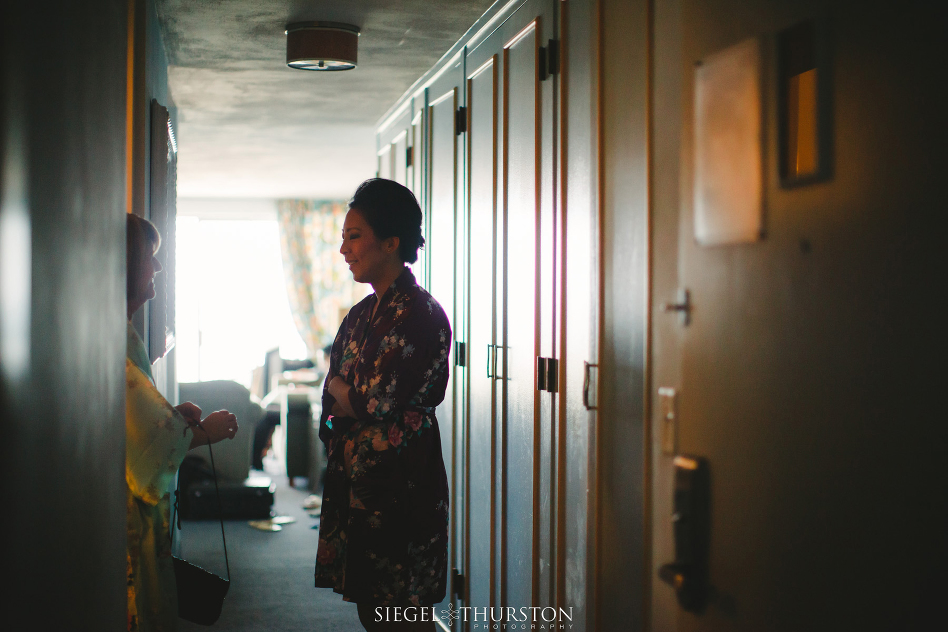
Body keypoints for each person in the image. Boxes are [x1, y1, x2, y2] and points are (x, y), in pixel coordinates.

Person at [315, 179, 452, 632]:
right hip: (357, 480)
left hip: (401, 484)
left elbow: (371, 401)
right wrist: (345, 394)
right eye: (343, 237)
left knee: (402, 612)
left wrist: (346, 392)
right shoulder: (359, 315)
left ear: (391, 242)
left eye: (354, 236)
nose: (344, 249)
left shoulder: (420, 313)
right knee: (372, 609)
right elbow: (335, 398)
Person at [125, 213, 239, 632]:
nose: (156, 268)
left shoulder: (123, 333)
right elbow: (141, 444)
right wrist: (204, 433)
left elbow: (141, 419)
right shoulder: (112, 340)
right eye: (148, 257)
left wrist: (172, 418)